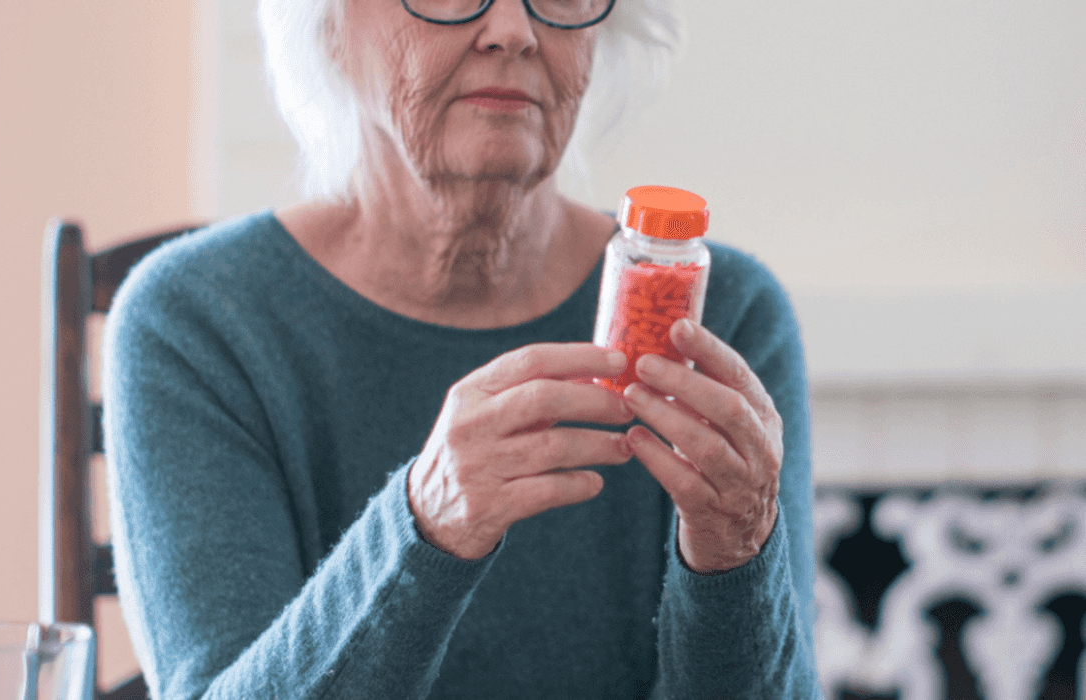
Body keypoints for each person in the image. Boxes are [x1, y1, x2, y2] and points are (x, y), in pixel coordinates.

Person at [103, 0, 822, 696]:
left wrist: (738, 557)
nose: (512, 29)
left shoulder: (716, 310)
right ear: (325, 27)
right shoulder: (195, 321)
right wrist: (426, 527)